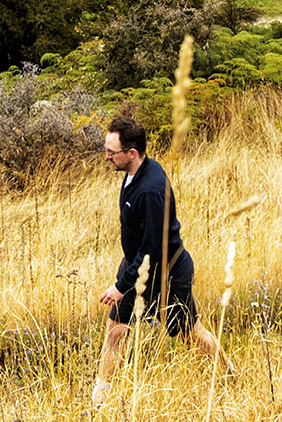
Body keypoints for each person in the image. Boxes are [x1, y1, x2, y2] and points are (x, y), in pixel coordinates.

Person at [91, 114, 223, 408]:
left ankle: (227, 374)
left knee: (189, 333)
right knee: (116, 329)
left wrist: (120, 286)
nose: (107, 157)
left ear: (132, 153)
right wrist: (126, 280)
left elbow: (153, 248)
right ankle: (98, 402)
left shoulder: (151, 189)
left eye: (111, 152)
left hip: (167, 272)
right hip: (136, 264)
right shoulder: (133, 173)